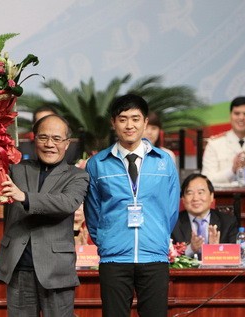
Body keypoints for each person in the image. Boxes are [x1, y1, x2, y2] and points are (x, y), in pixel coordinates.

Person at [84, 94, 180, 317]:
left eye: (136, 119)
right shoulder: (97, 164)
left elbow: (171, 209)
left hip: (154, 256)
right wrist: (108, 241)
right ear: (113, 123)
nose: (130, 125)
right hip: (114, 258)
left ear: (145, 122)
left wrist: (158, 236)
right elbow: (93, 211)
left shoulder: (164, 161)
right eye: (123, 119)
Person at [0, 114, 89, 317]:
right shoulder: (16, 170)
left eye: (56, 139)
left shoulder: (77, 176)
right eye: (43, 137)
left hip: (56, 270)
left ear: (67, 143)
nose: (49, 144)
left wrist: (24, 197)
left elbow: (67, 203)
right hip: (18, 267)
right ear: (34, 139)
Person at [171, 173, 239, 259]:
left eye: (200, 192)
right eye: (190, 193)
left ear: (211, 196)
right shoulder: (173, 223)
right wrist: (190, 249)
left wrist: (216, 250)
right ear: (183, 199)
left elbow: (237, 256)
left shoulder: (228, 222)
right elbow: (168, 257)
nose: (195, 198)